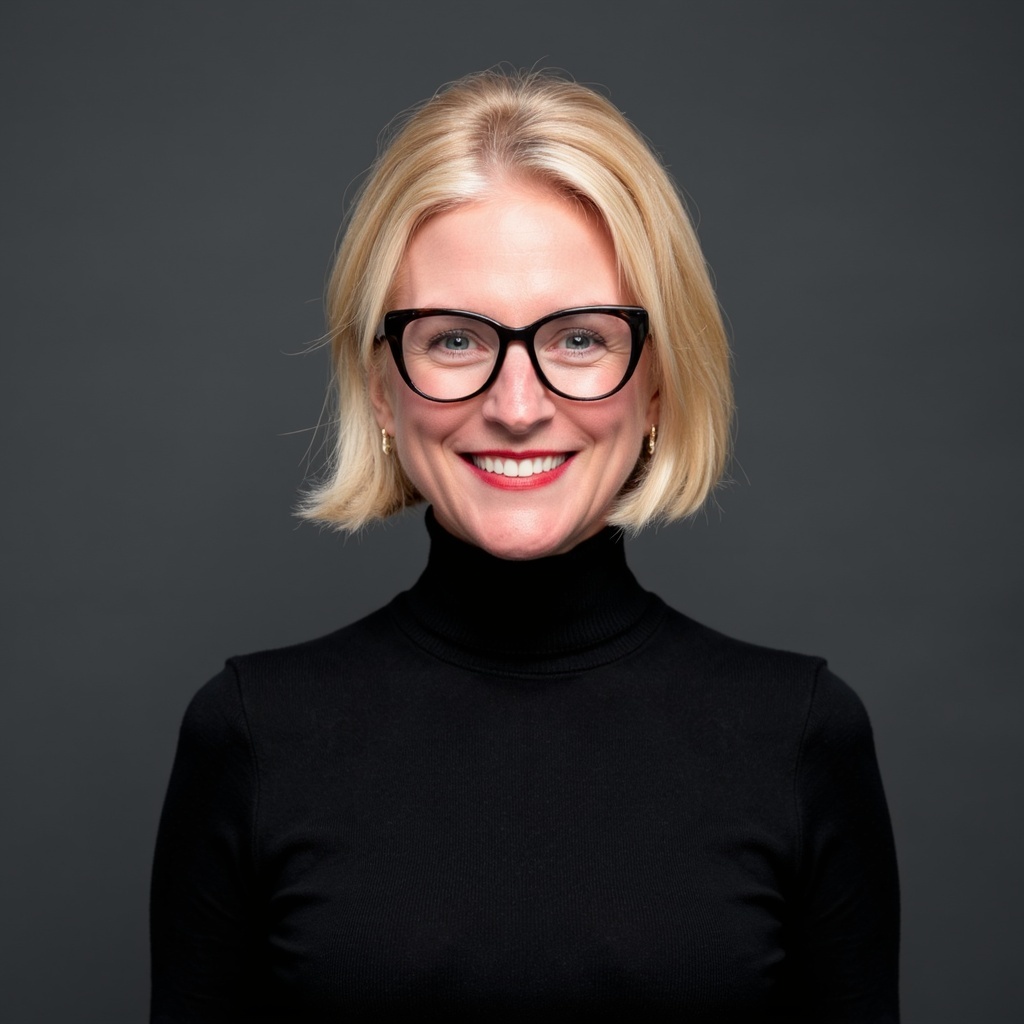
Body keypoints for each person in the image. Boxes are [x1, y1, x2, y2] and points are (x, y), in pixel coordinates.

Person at [151, 70, 899, 1022]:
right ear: (381, 388)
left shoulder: (798, 734)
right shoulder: (253, 734)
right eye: (455, 340)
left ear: (658, 384)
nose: (516, 406)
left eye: (580, 339)